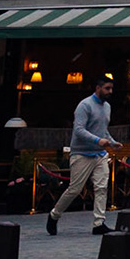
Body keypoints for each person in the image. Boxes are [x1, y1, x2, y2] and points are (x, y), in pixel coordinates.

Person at [47, 78, 120, 235]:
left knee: (102, 187)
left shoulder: (107, 107)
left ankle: (99, 222)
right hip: (82, 153)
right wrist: (98, 140)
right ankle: (54, 215)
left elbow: (103, 129)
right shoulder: (85, 105)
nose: (110, 92)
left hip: (100, 154)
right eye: (107, 88)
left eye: (111, 89)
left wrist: (112, 142)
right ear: (98, 87)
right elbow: (78, 130)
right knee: (75, 189)